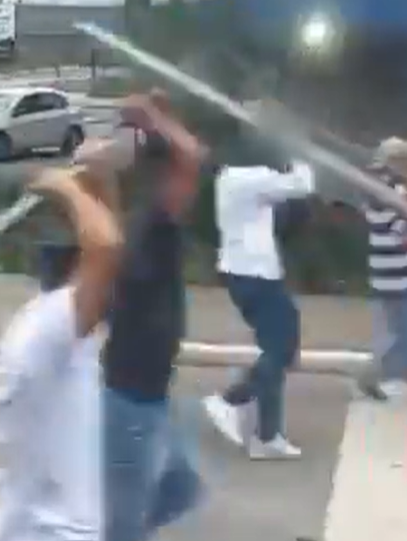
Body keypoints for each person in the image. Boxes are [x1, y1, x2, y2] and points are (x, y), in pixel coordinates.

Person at [0, 141, 125, 541]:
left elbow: (107, 247)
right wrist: (65, 188)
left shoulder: (52, 326)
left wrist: (96, 184)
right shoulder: (52, 330)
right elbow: (107, 247)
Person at [102, 92, 208, 541]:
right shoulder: (152, 223)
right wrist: (153, 116)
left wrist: (152, 119)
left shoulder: (146, 222)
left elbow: (187, 157)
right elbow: (193, 155)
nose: (190, 192)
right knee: (126, 525)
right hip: (129, 397)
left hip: (151, 393)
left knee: (182, 486)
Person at [202, 126, 316, 460]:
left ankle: (267, 436)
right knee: (280, 349)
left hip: (251, 273)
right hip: (254, 275)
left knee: (277, 351)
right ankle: (230, 401)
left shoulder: (237, 178)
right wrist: (301, 151)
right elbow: (302, 184)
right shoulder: (249, 178)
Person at [356, 137, 407, 399]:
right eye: (404, 158)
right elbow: (405, 236)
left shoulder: (386, 188)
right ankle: (380, 372)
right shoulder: (388, 193)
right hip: (398, 276)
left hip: (404, 273)